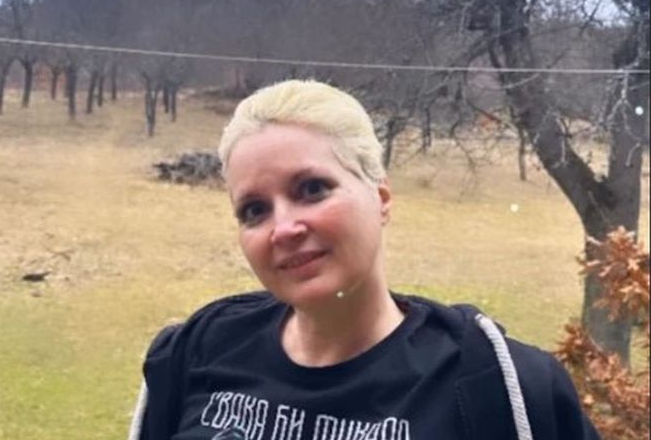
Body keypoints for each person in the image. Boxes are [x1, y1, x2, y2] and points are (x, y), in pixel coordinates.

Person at [128, 80, 600, 440]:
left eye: (312, 189)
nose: (283, 228)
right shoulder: (199, 350)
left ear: (381, 198)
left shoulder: (498, 386)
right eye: (254, 210)